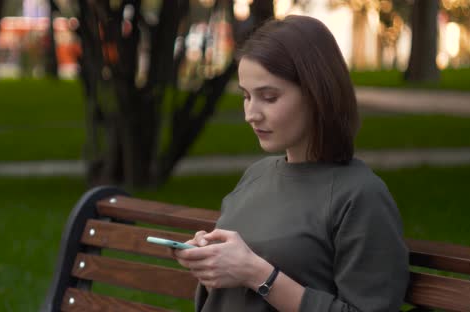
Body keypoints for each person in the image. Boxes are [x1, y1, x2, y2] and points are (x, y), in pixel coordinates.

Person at [173, 15, 409, 312]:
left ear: (317, 94)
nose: (251, 114)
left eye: (268, 97)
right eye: (246, 96)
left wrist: (257, 274)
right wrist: (210, 263)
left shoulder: (361, 196)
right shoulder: (256, 176)